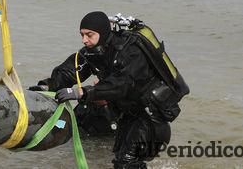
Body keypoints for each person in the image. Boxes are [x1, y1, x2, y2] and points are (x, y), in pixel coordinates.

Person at [34, 11, 186, 168]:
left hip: (151, 121)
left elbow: (122, 85)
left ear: (103, 32)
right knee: (120, 161)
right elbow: (69, 71)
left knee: (125, 163)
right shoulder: (94, 52)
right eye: (82, 35)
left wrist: (82, 92)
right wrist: (46, 86)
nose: (84, 40)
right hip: (128, 117)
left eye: (89, 35)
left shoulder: (131, 52)